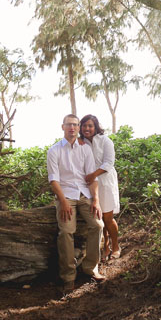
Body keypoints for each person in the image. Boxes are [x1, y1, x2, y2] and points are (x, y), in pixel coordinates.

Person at [47, 114, 106, 294]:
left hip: (84, 195)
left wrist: (95, 199)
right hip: (66, 196)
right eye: (68, 125)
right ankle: (68, 276)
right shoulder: (54, 150)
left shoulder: (85, 149)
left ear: (78, 127)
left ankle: (90, 268)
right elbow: (53, 180)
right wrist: (63, 201)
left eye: (75, 125)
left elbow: (91, 178)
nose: (72, 128)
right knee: (66, 231)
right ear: (62, 127)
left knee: (97, 225)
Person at [79, 115, 121, 260]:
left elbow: (109, 163)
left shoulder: (105, 141)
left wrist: (93, 174)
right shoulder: (81, 143)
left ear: (96, 127)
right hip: (90, 185)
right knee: (98, 216)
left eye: (90, 126)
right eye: (84, 126)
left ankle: (116, 245)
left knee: (108, 217)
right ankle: (106, 245)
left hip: (106, 182)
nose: (87, 129)